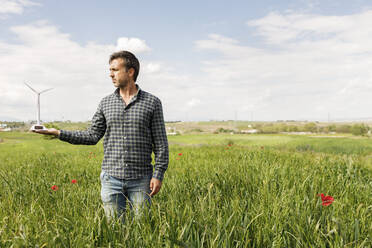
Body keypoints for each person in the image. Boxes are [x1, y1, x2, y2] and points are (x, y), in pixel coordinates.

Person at [34, 50, 169, 220]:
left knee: (143, 230)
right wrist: (58, 133)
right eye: (110, 70)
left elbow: (161, 143)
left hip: (141, 180)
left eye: (115, 70)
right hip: (111, 179)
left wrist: (158, 175)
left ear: (130, 71)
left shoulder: (152, 102)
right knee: (114, 230)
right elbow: (92, 135)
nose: (110, 75)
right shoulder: (105, 103)